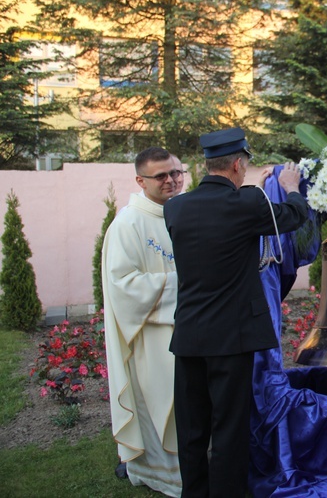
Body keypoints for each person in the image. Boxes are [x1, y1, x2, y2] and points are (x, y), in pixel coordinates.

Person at [163, 127, 308, 497]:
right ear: (238, 164)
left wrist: (252, 192)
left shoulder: (176, 207)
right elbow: (291, 217)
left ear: (208, 165)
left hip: (190, 335)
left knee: (193, 428)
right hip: (232, 338)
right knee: (229, 428)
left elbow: (224, 220)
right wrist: (290, 185)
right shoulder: (248, 204)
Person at [101, 146, 184, 496]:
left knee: (186, 407)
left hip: (187, 327)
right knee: (160, 404)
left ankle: (193, 467)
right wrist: (187, 282)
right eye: (161, 176)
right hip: (150, 335)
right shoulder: (127, 224)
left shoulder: (185, 211)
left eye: (176, 173)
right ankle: (160, 473)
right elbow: (124, 286)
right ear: (141, 180)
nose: (171, 181)